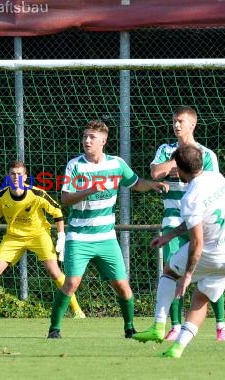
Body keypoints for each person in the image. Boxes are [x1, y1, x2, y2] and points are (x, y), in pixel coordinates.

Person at [47, 120, 168, 339]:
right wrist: (90, 189)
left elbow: (136, 183)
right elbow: (65, 198)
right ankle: (54, 329)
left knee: (122, 285)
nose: (87, 140)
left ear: (103, 141)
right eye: (85, 136)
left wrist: (152, 184)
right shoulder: (75, 165)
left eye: (92, 137)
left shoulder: (116, 164)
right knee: (72, 282)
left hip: (106, 238)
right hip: (79, 237)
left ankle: (129, 328)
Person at [133, 144, 225, 358]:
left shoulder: (190, 197)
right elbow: (200, 220)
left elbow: (197, 243)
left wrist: (189, 275)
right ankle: (177, 348)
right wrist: (169, 236)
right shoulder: (218, 179)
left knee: (170, 272)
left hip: (211, 251)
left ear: (180, 170)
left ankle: (158, 326)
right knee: (201, 299)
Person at [150, 106, 225, 341]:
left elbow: (210, 184)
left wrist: (173, 169)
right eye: (174, 121)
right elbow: (155, 173)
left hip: (200, 221)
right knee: (173, 270)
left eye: (181, 121)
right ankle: (174, 325)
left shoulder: (207, 154)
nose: (176, 125)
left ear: (192, 124)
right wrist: (178, 166)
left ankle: (221, 325)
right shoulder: (166, 149)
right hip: (172, 219)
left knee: (209, 274)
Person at [0, 160, 85, 320]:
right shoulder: (1, 196)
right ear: (8, 176)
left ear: (25, 177)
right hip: (13, 237)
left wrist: (61, 236)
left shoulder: (37, 194)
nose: (16, 177)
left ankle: (77, 311)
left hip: (38, 235)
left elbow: (57, 211)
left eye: (19, 174)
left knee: (54, 272)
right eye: (13, 173)